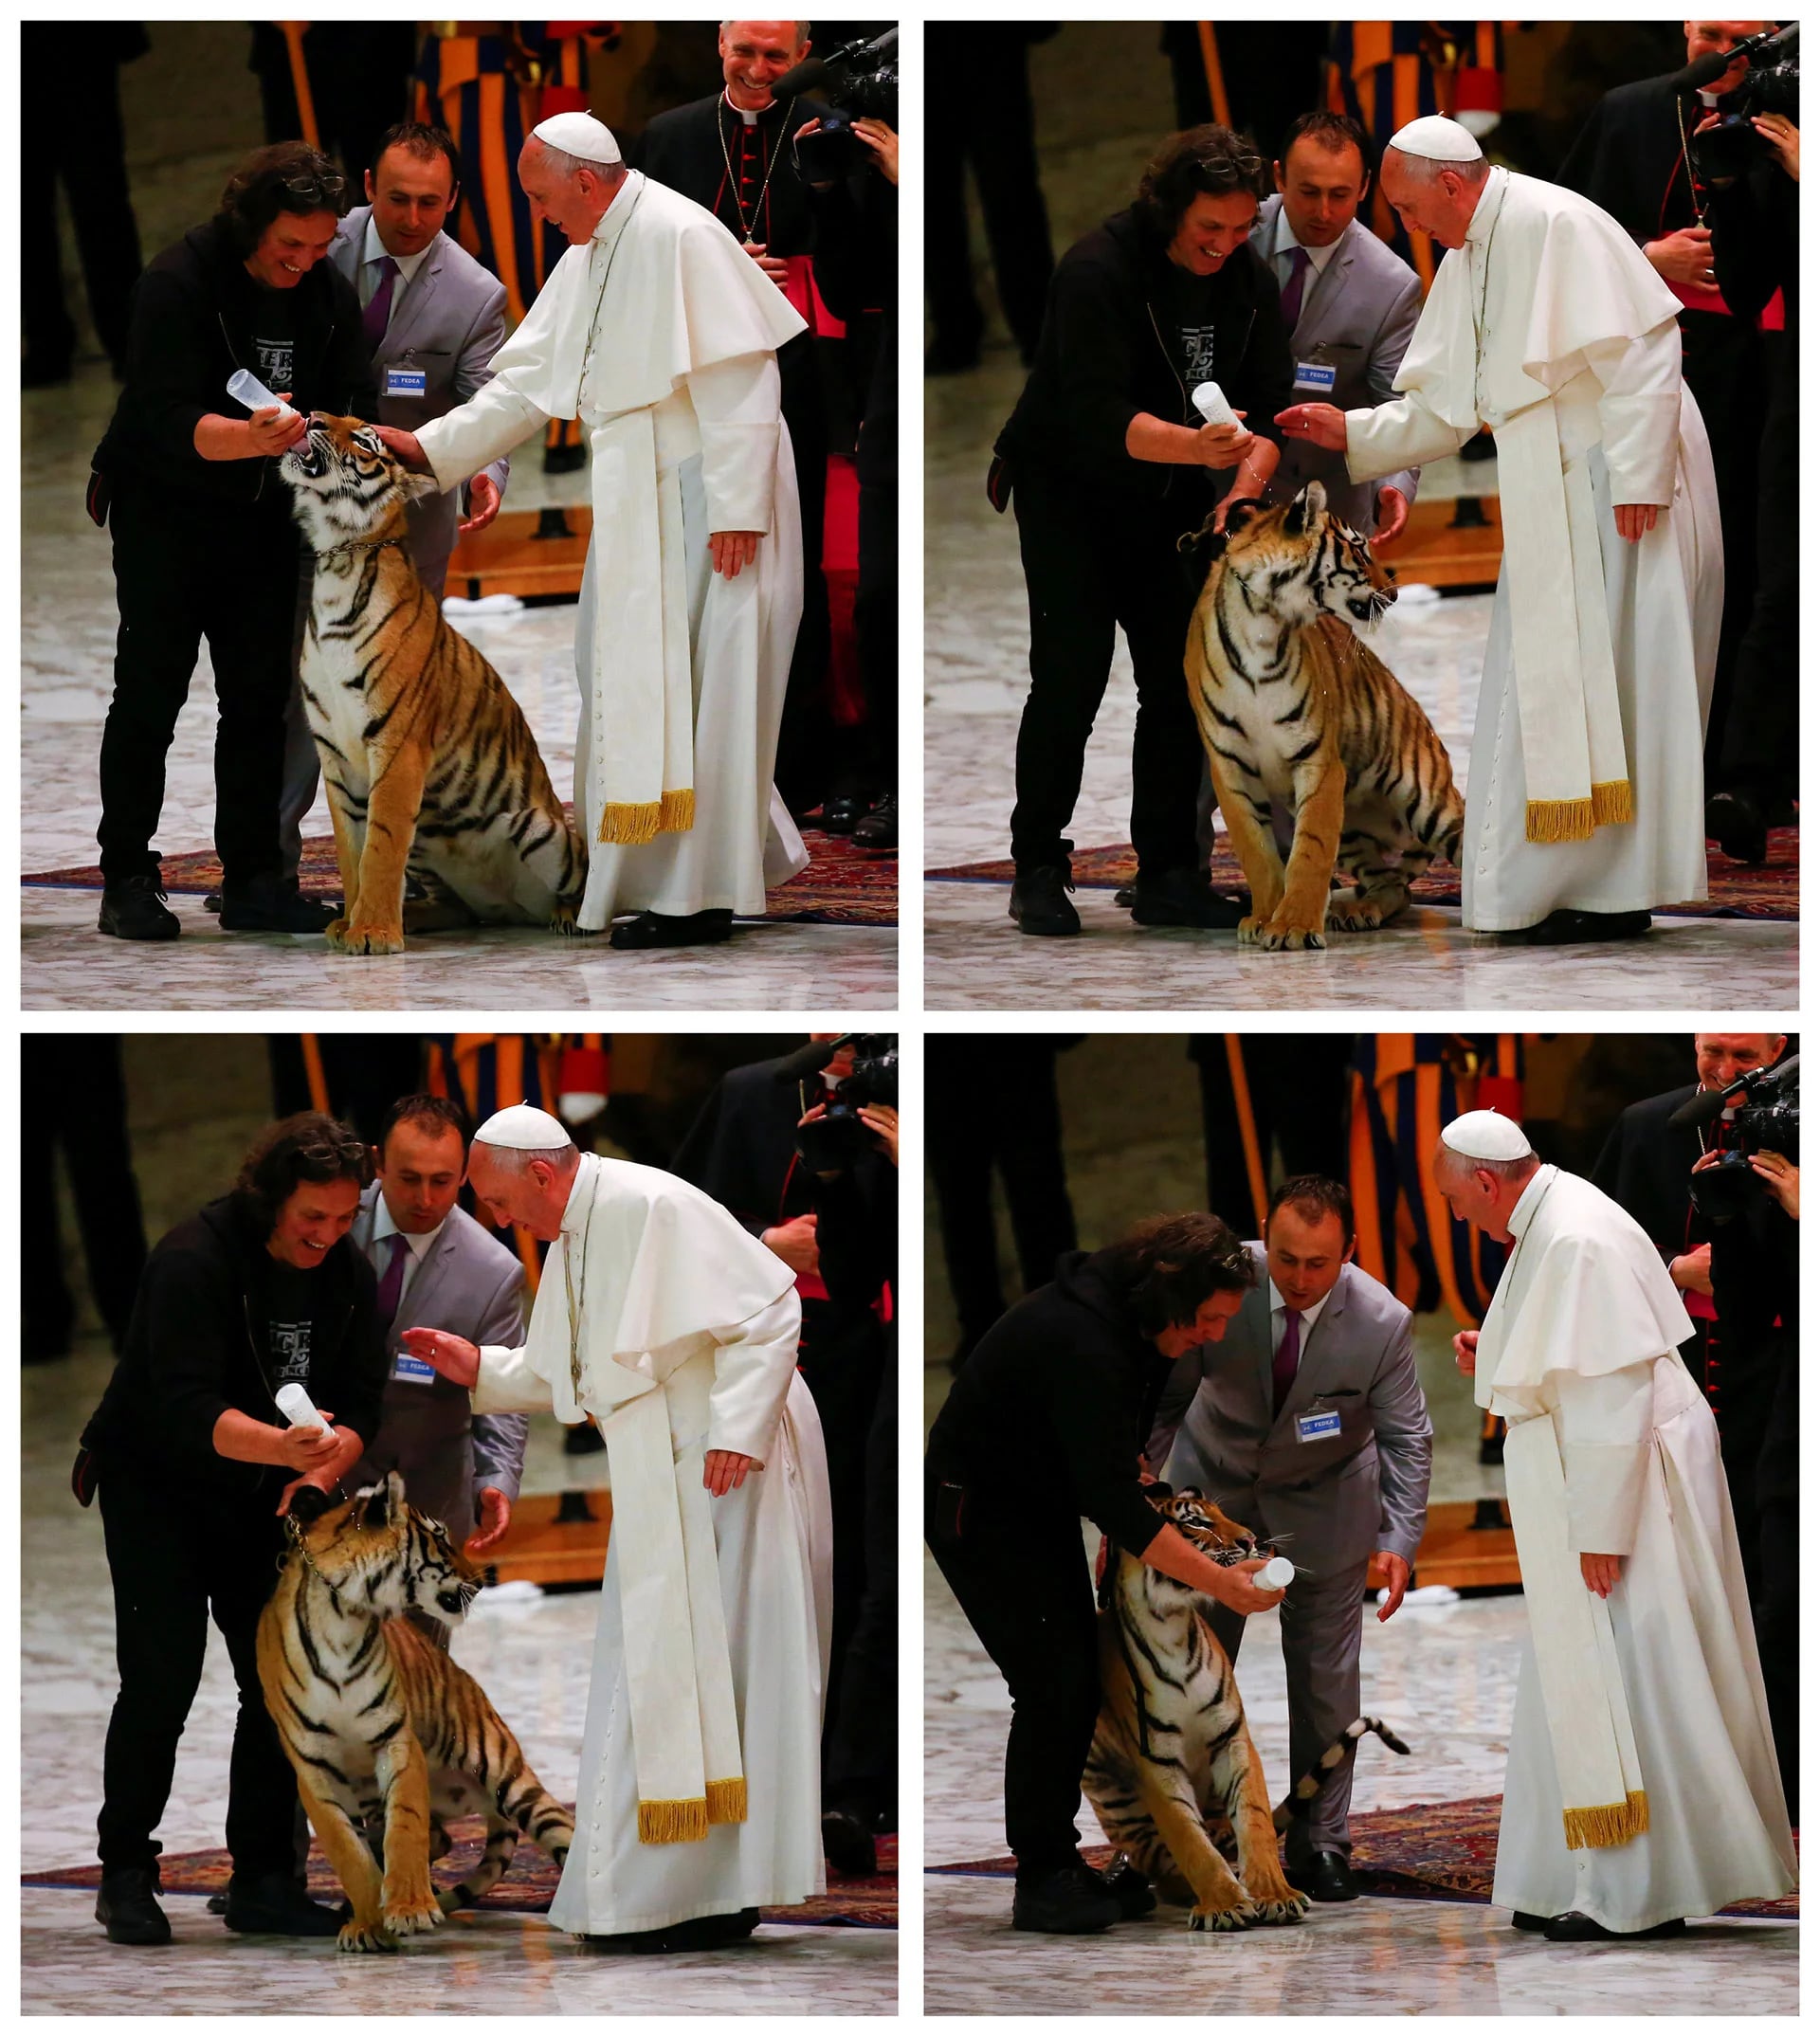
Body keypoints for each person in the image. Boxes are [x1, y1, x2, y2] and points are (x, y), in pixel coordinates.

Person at [1278, 115, 1721, 946]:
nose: (1410, 228)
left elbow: (1647, 348)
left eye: (1411, 210)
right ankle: (1559, 884)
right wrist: (1353, 432)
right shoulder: (1471, 251)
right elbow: (1449, 403)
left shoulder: (1558, 222)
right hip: (1554, 483)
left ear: (1452, 183)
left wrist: (1636, 475)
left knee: (1627, 678)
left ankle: (1612, 889)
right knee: (1546, 682)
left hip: (1623, 473)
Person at [399, 1104, 831, 1950]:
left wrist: (739, 1431)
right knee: (658, 1670)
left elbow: (773, 1309)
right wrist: (479, 1367)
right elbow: (581, 1368)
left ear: (542, 1173)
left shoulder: (649, 1205)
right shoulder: (578, 1229)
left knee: (733, 1666)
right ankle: (675, 1890)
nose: (495, 1218)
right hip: (663, 1466)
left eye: (496, 1198)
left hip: (725, 1460)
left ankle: (704, 1891)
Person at [380, 113, 809, 950]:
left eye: (542, 196)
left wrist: (737, 509)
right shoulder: (590, 253)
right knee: (621, 673)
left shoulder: (681, 232)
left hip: (708, 493)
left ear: (585, 181)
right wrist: (432, 449)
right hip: (639, 494)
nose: (538, 212)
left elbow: (743, 379)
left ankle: (698, 901)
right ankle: (673, 873)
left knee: (708, 688)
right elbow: (527, 385)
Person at [1437, 1108, 1794, 1939]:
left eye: (1460, 1204)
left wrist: (1603, 1527)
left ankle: (1638, 1892)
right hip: (1608, 1464)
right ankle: (1572, 1870)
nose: (1461, 1217)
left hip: (1628, 1479)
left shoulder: (1575, 1238)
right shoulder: (1556, 1213)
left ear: (1487, 1183)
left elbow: (1609, 1393)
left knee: (1634, 1671)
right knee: (1591, 1671)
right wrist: (1492, 1351)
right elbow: (1565, 1354)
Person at [925, 1211, 1287, 1935]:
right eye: (1210, 1318)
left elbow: (1126, 1464)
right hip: (981, 1510)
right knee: (1052, 1683)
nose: (1216, 1334)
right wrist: (1219, 1584)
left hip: (1036, 1499)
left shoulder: (1142, 1324)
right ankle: (1043, 1875)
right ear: (1174, 1294)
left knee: (1076, 1676)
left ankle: (1060, 1865)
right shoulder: (1085, 1339)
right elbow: (1115, 1501)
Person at [76, 1113, 385, 1946]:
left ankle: (263, 1880)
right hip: (158, 1490)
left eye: (343, 1218)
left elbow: (362, 1399)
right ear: (270, 1200)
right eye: (310, 1219)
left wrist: (322, 1467)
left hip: (264, 1493)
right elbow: (182, 1406)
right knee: (161, 1679)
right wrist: (284, 1446)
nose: (326, 1236)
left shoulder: (345, 1271)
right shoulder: (191, 1261)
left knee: (276, 1685)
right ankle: (126, 1872)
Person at [994, 124, 1292, 938]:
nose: (1227, 246)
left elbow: (1266, 408)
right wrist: (1197, 447)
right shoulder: (1096, 271)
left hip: (1172, 500)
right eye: (1210, 231)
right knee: (1071, 678)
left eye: (1241, 229)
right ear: (1167, 210)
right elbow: (1096, 415)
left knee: (1177, 683)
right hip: (1071, 495)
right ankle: (1039, 866)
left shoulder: (1248, 279)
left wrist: (1241, 489)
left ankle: (1168, 873)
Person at [89, 140, 371, 944]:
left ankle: (253, 880)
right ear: (250, 223)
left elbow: (349, 403)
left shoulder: (326, 294)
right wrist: (254, 437)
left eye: (320, 247)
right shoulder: (177, 284)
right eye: (290, 245)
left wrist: (315, 435)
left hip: (263, 520)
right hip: (167, 515)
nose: (304, 262)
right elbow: (165, 420)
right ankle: (129, 876)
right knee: (150, 695)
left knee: (257, 703)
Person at [1148, 1176, 1431, 1901]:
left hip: (1326, 1505)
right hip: (1212, 1506)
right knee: (1194, 1680)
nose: (1299, 1279)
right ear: (1263, 1237)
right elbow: (1164, 1402)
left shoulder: (1382, 1321)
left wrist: (1398, 1538)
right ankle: (1191, 1841)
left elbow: (1407, 1438)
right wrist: (1138, 1513)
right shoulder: (1220, 1285)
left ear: (1350, 1252)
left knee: (1326, 1686)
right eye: (1285, 1259)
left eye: (1318, 1263)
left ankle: (1321, 1843)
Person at [1556, 22, 1774, 826]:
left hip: (1756, 374)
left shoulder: (1786, 114)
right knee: (1653, 576)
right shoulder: (1630, 112)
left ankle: (1741, 770)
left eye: (1733, 38)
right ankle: (1652, 766)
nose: (1712, 53)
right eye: (1703, 33)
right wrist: (1652, 258)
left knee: (1753, 568)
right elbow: (1566, 244)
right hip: (1644, 381)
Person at [635, 19, 835, 823]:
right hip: (693, 387)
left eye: (776, 56)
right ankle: (705, 763)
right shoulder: (668, 138)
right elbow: (634, 253)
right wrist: (716, 270)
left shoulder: (827, 133)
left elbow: (859, 250)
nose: (758, 70)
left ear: (804, 54)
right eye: (743, 52)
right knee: (700, 575)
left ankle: (805, 769)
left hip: (804, 381)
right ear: (719, 46)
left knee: (796, 570)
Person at [348, 1095, 528, 1609]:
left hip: (427, 1494)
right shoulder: (329, 1225)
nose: (425, 1198)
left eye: (442, 1181)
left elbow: (504, 1388)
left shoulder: (492, 1271)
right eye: (408, 1179)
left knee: (418, 1675)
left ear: (465, 1175)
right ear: (378, 1163)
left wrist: (496, 1478)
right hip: (325, 1486)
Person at [1592, 1030, 1788, 1403]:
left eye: (1744, 1056)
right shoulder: (1643, 1123)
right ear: (1696, 1041)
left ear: (1777, 1049)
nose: (1727, 1072)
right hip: (1666, 1351)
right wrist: (1673, 1270)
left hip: (1779, 1356)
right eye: (1714, 1051)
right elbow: (1593, 1241)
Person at [1254, 111, 1420, 539]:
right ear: (1279, 177)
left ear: (1365, 187)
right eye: (1308, 192)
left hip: (1330, 503)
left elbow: (1397, 405)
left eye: (1340, 195)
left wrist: (1393, 485)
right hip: (1224, 488)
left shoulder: (1391, 286)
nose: (1323, 212)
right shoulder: (1233, 235)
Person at [21, 22, 145, 387]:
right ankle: (45, 340)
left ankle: (128, 339)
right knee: (24, 211)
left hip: (77, 40)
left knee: (101, 201)